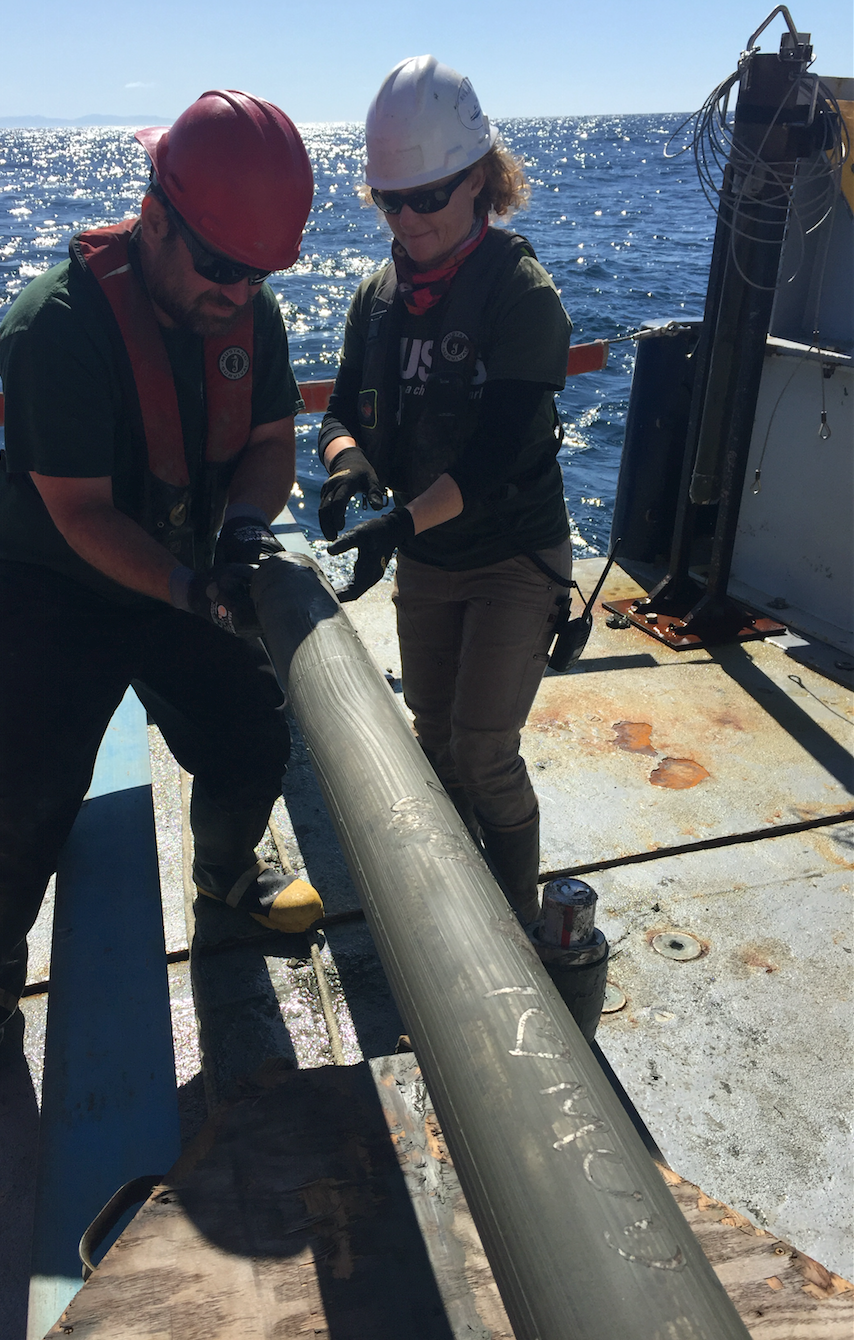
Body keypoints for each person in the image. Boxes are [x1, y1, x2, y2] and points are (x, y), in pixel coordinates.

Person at [0, 90, 323, 1097]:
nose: (241, 293)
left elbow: (271, 443)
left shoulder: (244, 309)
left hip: (186, 564)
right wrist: (193, 590)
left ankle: (227, 872)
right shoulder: (55, 327)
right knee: (28, 793)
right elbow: (81, 514)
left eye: (261, 274)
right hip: (56, 581)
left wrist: (237, 536)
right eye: (224, 267)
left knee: (250, 735)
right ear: (154, 221)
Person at [319, 55, 573, 925]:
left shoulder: (519, 291)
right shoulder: (377, 298)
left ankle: (516, 928)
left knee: (484, 747)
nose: (409, 217)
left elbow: (502, 449)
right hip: (426, 549)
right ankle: (462, 915)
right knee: (432, 736)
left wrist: (400, 521)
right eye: (393, 199)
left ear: (479, 183)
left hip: (511, 554)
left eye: (429, 196)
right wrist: (348, 459)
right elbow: (341, 410)